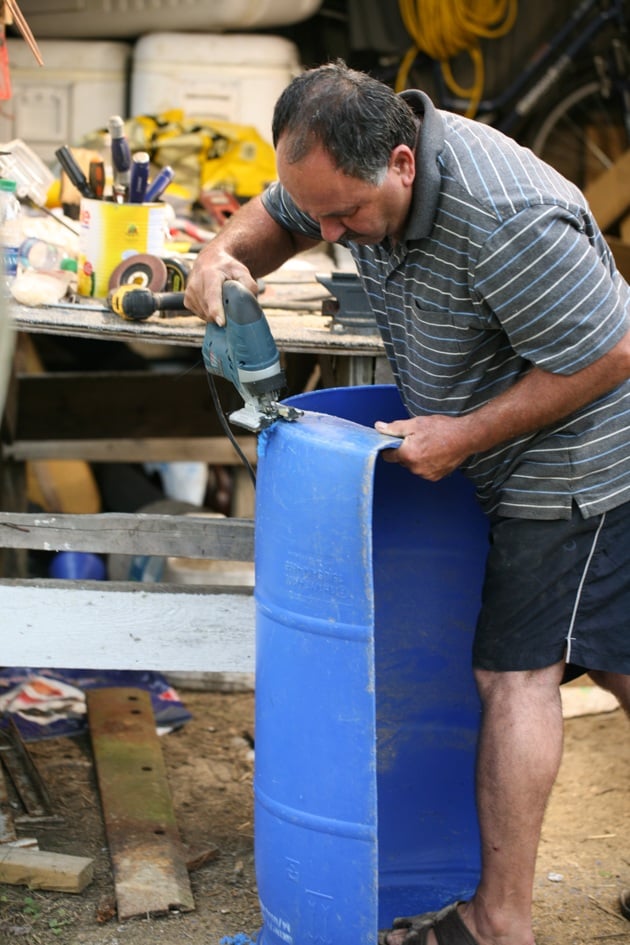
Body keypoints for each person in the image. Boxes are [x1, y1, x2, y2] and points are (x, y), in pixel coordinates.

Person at [185, 60, 630, 945]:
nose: (332, 231)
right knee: (612, 657)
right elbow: (278, 218)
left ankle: (498, 921)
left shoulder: (507, 217)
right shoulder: (338, 175)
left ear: (400, 161)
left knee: (516, 675)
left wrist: (463, 434)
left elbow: (611, 355)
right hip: (506, 447)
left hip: (575, 455)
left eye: (346, 216)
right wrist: (220, 256)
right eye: (319, 214)